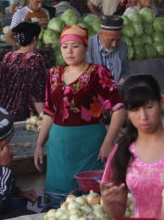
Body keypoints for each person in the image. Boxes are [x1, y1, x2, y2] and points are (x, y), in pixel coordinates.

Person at [34, 25, 126, 200]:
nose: (69, 51)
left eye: (75, 46)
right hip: (59, 148)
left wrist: (108, 142)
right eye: (65, 46)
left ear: (85, 48)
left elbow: (118, 109)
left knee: (90, 201)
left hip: (90, 148)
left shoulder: (97, 73)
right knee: (59, 205)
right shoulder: (54, 74)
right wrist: (39, 144)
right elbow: (49, 111)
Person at [101, 74, 164, 219]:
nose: (143, 116)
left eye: (149, 107)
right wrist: (109, 202)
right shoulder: (123, 152)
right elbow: (118, 212)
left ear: (160, 102)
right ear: (127, 113)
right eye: (134, 110)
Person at [0, 22, 46, 121]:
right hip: (27, 117)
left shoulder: (8, 56)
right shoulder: (36, 59)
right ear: (34, 39)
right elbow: (37, 92)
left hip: (4, 114)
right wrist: (43, 117)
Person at [86, 15, 129, 84]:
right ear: (100, 34)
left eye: (117, 40)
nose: (114, 44)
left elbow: (126, 71)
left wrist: (123, 79)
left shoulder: (123, 46)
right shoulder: (87, 46)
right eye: (111, 40)